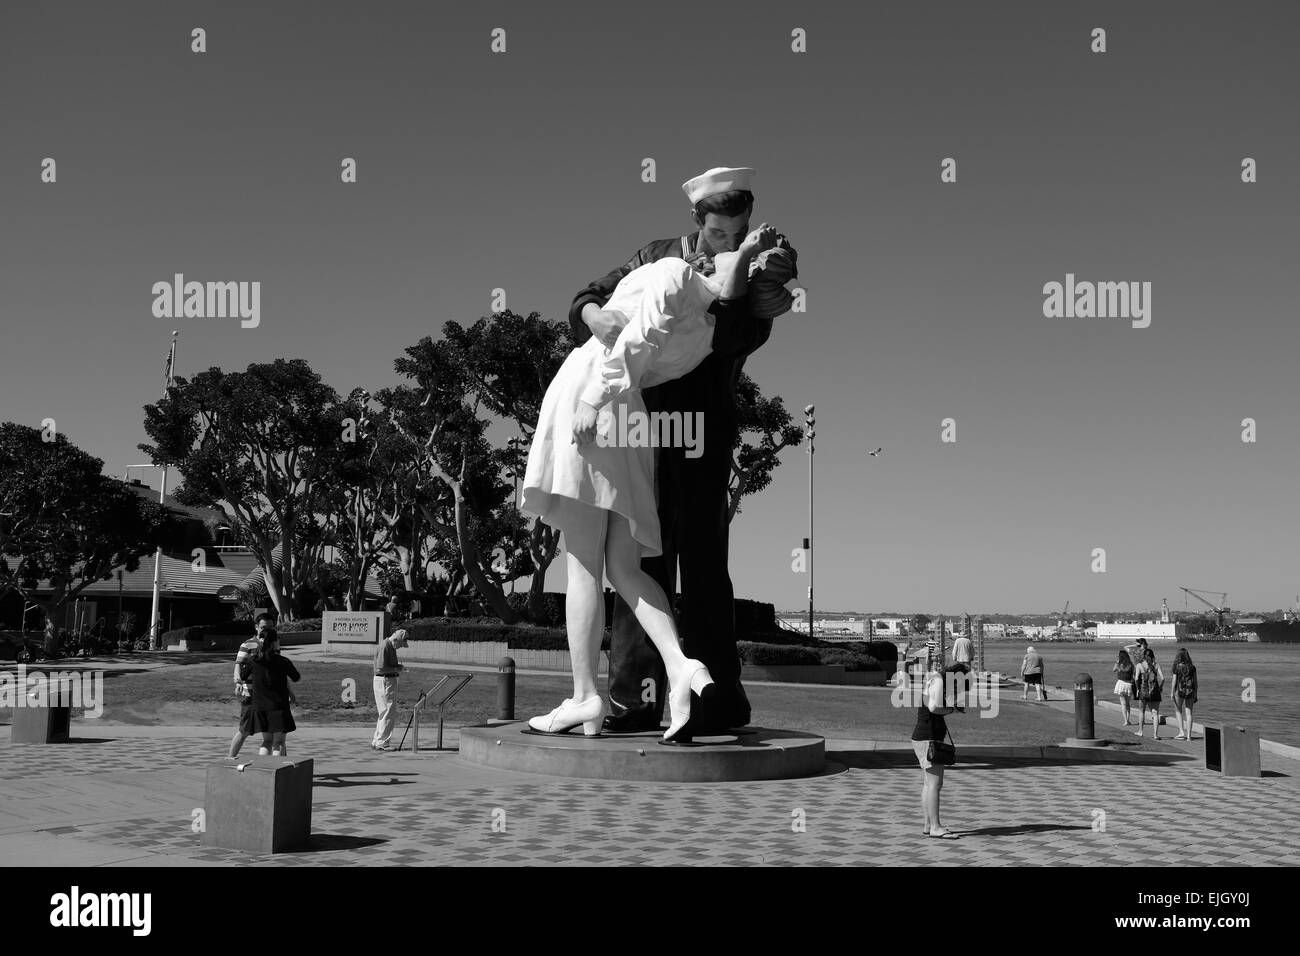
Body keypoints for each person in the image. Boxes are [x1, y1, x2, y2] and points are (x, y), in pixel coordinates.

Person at [527, 195, 794, 741]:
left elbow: (735, 333)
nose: (725, 242)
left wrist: (751, 271)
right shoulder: (658, 257)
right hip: (634, 425)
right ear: (698, 223)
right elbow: (588, 297)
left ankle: (715, 699)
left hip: (696, 436)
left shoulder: (749, 286)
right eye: (719, 233)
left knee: (703, 568)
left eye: (736, 233)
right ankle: (636, 698)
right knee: (641, 559)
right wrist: (595, 317)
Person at [912, 653, 959, 839]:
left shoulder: (930, 677)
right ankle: (935, 827)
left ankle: (928, 823)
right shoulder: (938, 679)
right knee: (935, 784)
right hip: (929, 737)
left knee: (928, 784)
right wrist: (952, 709)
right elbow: (933, 707)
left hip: (922, 736)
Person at [238, 628, 301, 756]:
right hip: (279, 706)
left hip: (260, 706)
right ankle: (278, 771)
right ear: (275, 642)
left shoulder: (253, 660)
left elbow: (242, 675)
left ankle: (264, 771)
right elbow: (296, 677)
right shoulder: (283, 661)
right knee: (278, 742)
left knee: (266, 741)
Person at [228, 612, 275, 758]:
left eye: (271, 627)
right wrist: (238, 682)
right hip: (251, 694)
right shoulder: (247, 644)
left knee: (269, 736)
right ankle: (229, 759)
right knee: (244, 731)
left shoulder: (275, 644)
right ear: (256, 627)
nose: (267, 630)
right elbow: (238, 666)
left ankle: (267, 768)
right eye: (263, 627)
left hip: (268, 696)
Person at [371, 628, 409, 751]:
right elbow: (380, 669)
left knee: (384, 711)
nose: (400, 647)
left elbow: (385, 666)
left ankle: (377, 740)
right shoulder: (385, 647)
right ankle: (382, 742)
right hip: (385, 680)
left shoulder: (389, 646)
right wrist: (396, 670)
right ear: (396, 640)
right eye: (401, 644)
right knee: (388, 711)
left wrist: (397, 667)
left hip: (384, 680)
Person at [1133, 647, 1164, 740]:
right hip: (1155, 691)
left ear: (1144, 656)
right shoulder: (1156, 665)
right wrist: (1160, 687)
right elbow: (1162, 678)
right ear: (1152, 656)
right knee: (1155, 713)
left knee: (1141, 711)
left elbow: (1136, 679)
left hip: (1143, 691)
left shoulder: (1139, 665)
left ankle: (1140, 731)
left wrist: (1138, 688)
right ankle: (1155, 735)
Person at [1170, 648, 1198, 740]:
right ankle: (1189, 736)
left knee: (1178, 711)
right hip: (1190, 691)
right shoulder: (1192, 667)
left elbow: (1174, 681)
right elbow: (1195, 682)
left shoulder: (1177, 667)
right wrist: (1195, 694)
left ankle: (1181, 732)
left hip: (1179, 691)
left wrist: (1172, 692)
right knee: (1189, 713)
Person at [1112, 647, 1136, 726]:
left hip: (1121, 684)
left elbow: (1114, 670)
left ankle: (1125, 721)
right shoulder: (1131, 665)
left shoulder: (1119, 664)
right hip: (1129, 684)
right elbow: (1134, 674)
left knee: (1123, 703)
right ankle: (1128, 720)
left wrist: (1117, 662)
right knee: (1128, 703)